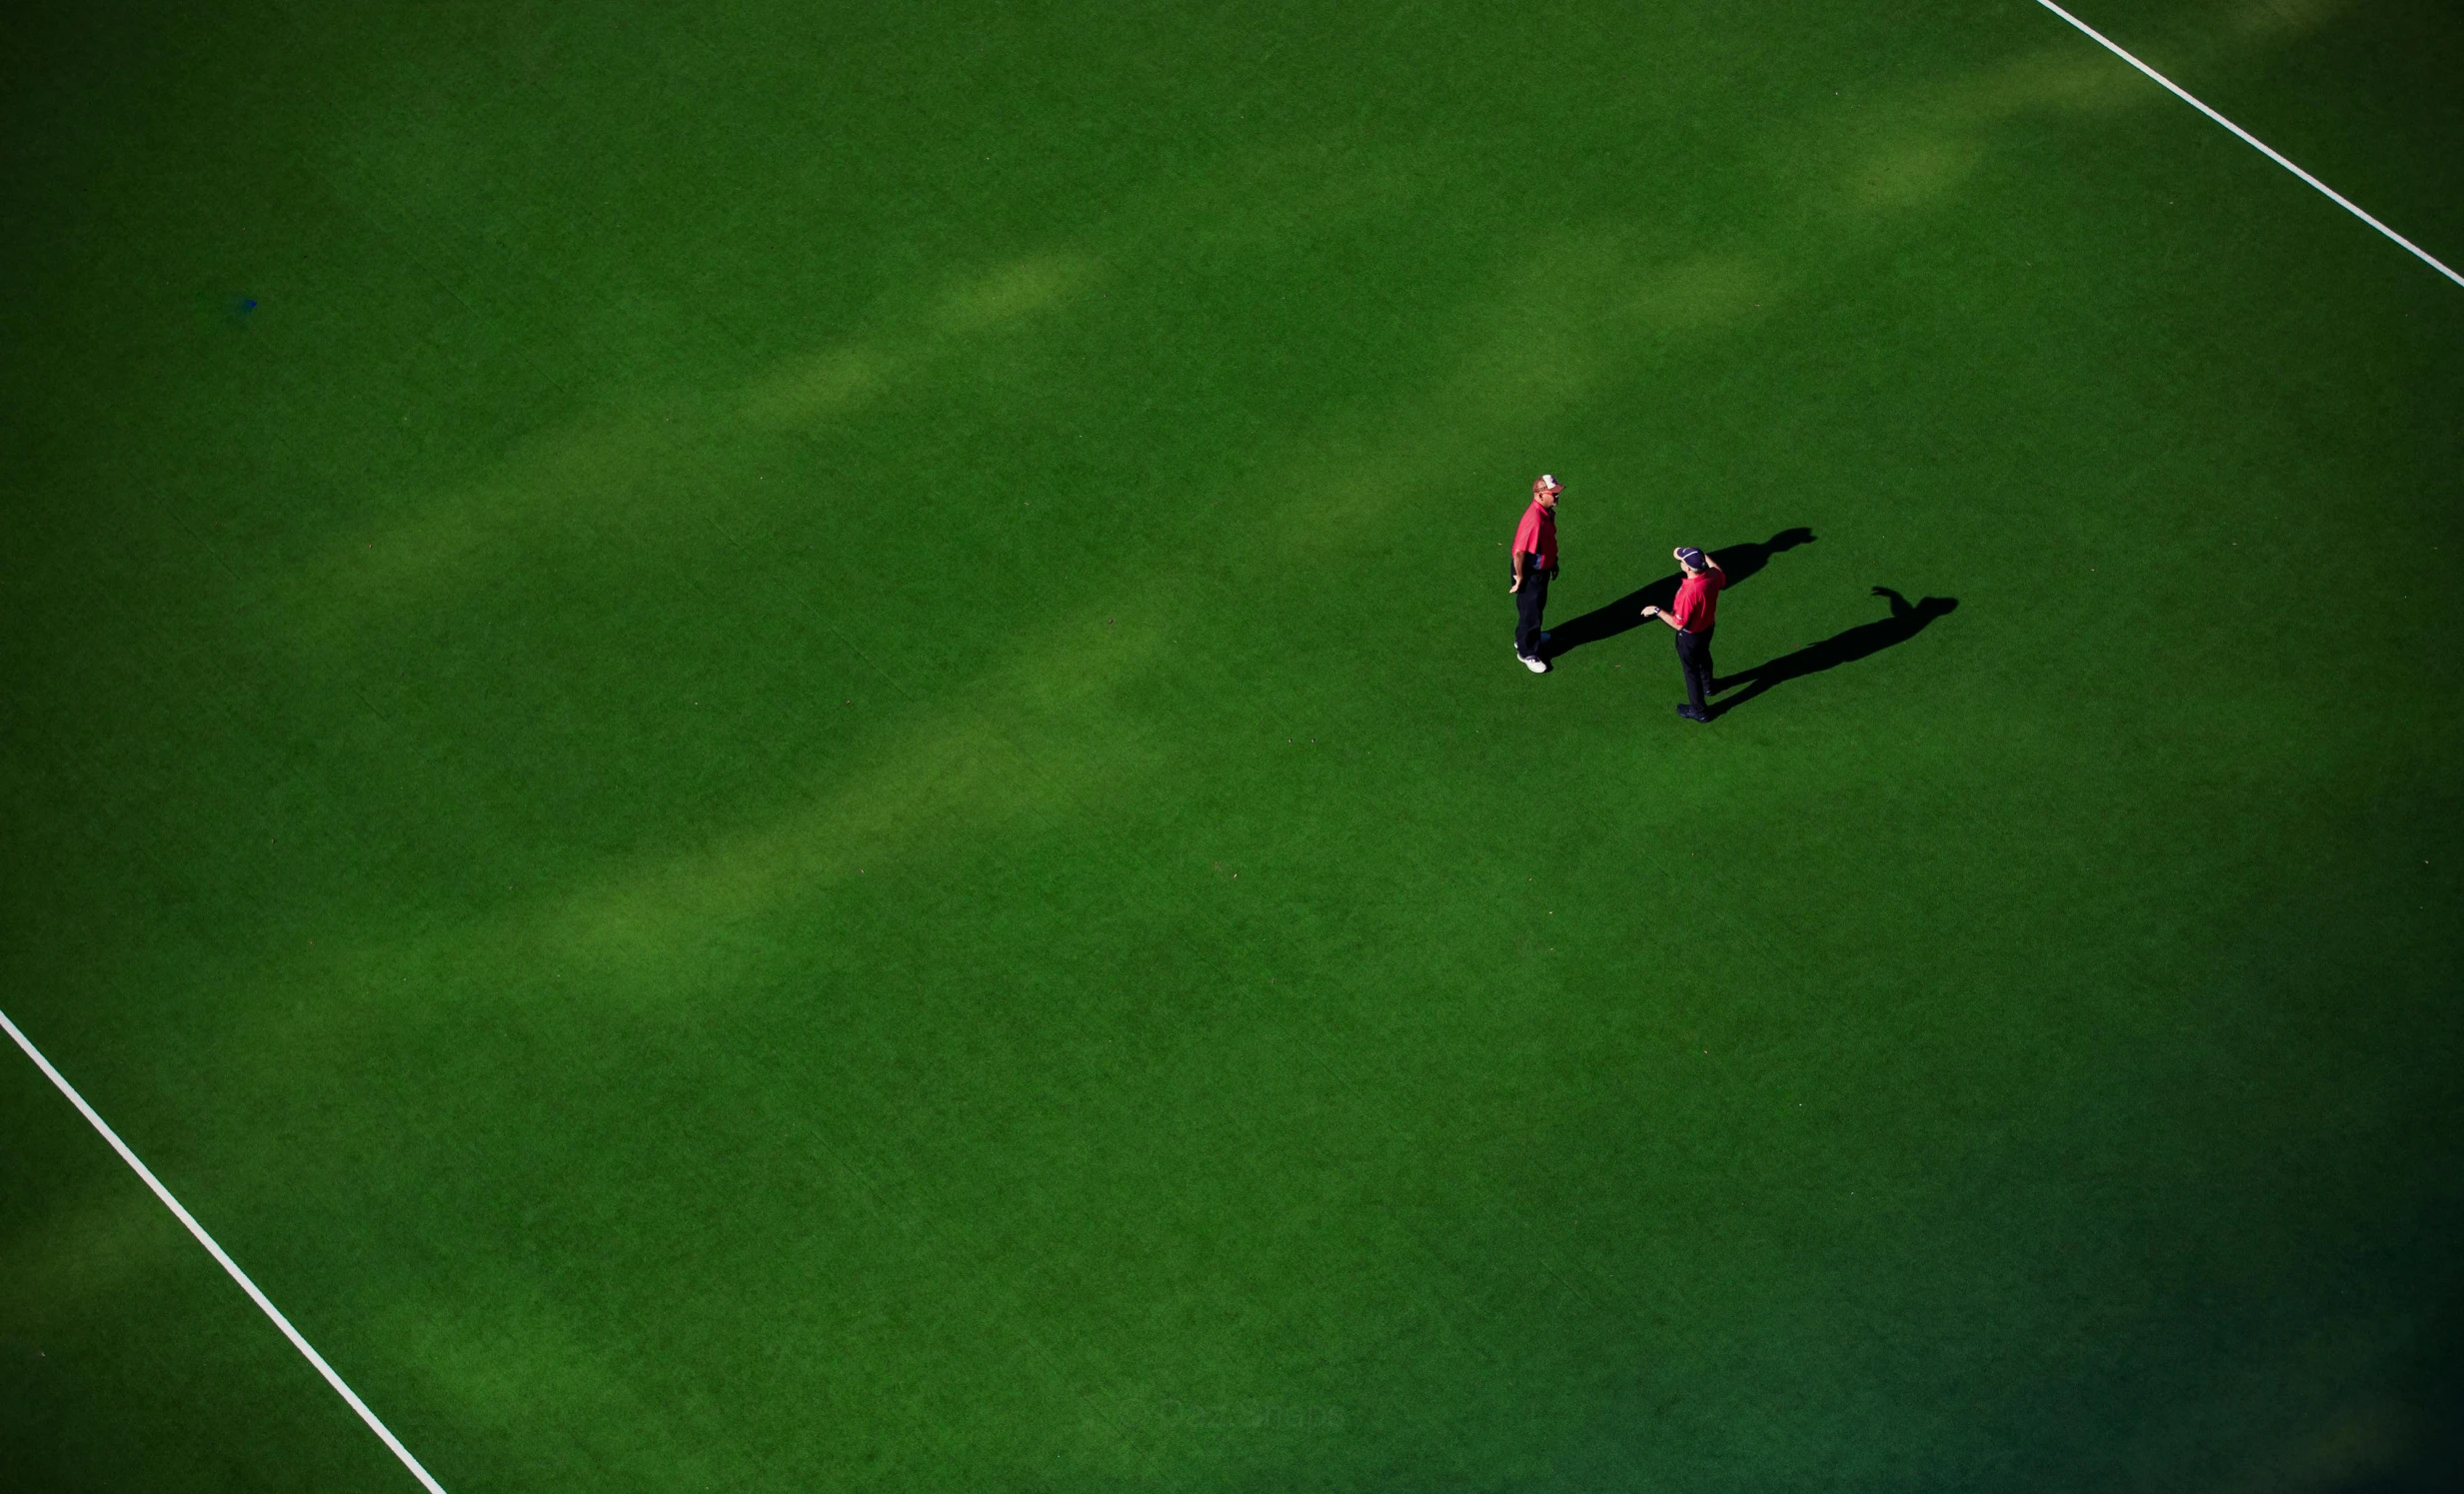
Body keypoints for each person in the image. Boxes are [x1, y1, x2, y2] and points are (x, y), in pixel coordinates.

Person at [1641, 545, 1724, 722]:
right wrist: (1702, 557)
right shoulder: (1713, 576)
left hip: (1690, 636)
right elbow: (1718, 571)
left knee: (1691, 671)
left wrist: (1656, 610)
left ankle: (1699, 711)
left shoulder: (1689, 593)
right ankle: (1709, 686)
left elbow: (1678, 623)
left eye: (1682, 560)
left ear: (1687, 568)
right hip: (1708, 628)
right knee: (1704, 655)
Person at [1508, 475, 1561, 673]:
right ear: (1539, 495)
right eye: (1553, 494)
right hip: (1529, 573)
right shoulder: (1534, 520)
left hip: (1540, 570)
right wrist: (1520, 577)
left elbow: (1546, 543)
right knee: (1530, 613)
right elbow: (1519, 552)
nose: (1557, 497)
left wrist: (1552, 562)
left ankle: (1527, 638)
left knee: (1536, 608)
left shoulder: (1547, 512)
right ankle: (1527, 652)